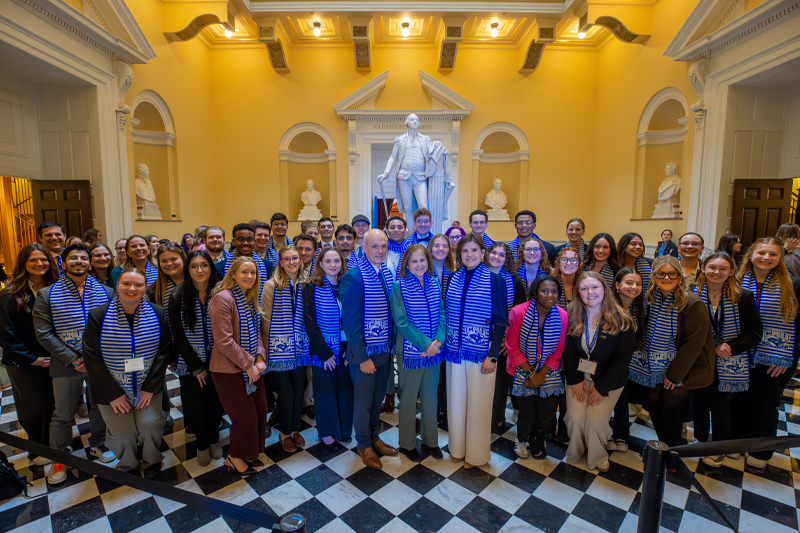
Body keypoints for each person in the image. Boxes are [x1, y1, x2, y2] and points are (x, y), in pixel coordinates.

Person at [33, 243, 115, 484]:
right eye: (73, 258)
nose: (78, 261)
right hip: (65, 364)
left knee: (98, 406)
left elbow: (112, 327)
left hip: (99, 362)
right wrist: (74, 358)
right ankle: (59, 456)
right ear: (64, 263)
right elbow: (43, 333)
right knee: (63, 413)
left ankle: (98, 444)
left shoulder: (106, 291)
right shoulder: (46, 294)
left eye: (83, 258)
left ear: (89, 263)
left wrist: (93, 358)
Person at [82, 268, 172, 478]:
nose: (132, 289)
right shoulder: (98, 315)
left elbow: (164, 351)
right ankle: (128, 461)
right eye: (126, 284)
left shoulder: (158, 312)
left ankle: (151, 460)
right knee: (123, 432)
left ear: (145, 288)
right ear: (117, 285)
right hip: (111, 387)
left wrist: (150, 388)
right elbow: (91, 357)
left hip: (147, 384)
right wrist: (113, 393)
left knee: (149, 424)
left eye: (138, 285)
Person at [628, 255, 715, 446]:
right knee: (651, 402)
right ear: (653, 276)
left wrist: (674, 375)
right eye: (661, 273)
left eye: (671, 274)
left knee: (668, 407)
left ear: (679, 276)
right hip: (654, 366)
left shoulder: (692, 303)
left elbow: (694, 344)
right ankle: (667, 447)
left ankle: (674, 448)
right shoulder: (650, 299)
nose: (666, 278)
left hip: (686, 369)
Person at [444, 234, 509, 468]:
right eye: (464, 251)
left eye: (474, 250)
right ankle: (458, 448)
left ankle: (476, 455)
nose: (469, 255)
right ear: (459, 254)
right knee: (456, 403)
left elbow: (501, 321)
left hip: (481, 354)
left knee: (478, 405)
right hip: (454, 353)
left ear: (483, 253)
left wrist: (492, 356)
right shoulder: (453, 278)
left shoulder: (494, 280)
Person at [691, 253, 762, 468]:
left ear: (731, 271)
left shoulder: (743, 296)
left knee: (722, 406)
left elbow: (755, 332)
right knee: (700, 402)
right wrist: (714, 343)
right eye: (712, 267)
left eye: (723, 268)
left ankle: (719, 448)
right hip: (701, 357)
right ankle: (701, 440)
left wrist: (730, 347)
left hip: (730, 360)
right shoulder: (691, 293)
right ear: (703, 268)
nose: (716, 272)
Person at [736, 237, 800, 472]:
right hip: (740, 353)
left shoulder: (793, 284)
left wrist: (787, 355)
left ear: (780, 257)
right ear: (751, 255)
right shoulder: (735, 281)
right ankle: (738, 441)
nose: (766, 258)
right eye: (761, 252)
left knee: (764, 402)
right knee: (740, 399)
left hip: (778, 357)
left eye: (773, 254)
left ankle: (759, 450)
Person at [562, 272, 636, 472]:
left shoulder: (623, 320)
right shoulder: (571, 315)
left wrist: (602, 388)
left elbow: (622, 362)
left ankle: (597, 455)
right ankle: (575, 451)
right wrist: (574, 380)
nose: (590, 292)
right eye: (584, 288)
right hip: (579, 377)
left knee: (595, 421)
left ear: (605, 289)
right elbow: (567, 352)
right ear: (578, 292)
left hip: (608, 381)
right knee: (576, 419)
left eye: (595, 287)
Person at [341, 229, 399, 469]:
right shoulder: (354, 277)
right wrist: (362, 357)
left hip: (383, 350)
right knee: (363, 401)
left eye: (384, 246)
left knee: (376, 400)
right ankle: (363, 443)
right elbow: (351, 323)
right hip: (364, 353)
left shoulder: (386, 273)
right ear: (363, 248)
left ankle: (374, 437)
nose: (380, 251)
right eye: (375, 246)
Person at [0, 244, 59, 466]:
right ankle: (38, 448)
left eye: (43, 259)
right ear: (23, 263)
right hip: (25, 362)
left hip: (55, 358)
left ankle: (56, 444)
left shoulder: (58, 289)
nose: (39, 264)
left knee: (55, 403)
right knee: (34, 407)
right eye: (33, 260)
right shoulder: (10, 295)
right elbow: (5, 335)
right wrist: (31, 359)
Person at [210, 256, 268, 475]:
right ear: (232, 274)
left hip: (251, 366)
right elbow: (224, 340)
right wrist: (248, 365)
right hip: (229, 370)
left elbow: (256, 333)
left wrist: (260, 358)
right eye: (244, 272)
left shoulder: (249, 297)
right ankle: (233, 457)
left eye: (253, 272)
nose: (249, 276)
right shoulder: (222, 298)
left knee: (260, 410)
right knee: (244, 418)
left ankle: (247, 453)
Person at [168, 250, 225, 466]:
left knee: (215, 404)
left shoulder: (222, 292)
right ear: (187, 269)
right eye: (193, 266)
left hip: (219, 360)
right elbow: (178, 336)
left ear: (211, 268)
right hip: (190, 363)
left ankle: (213, 440)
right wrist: (196, 367)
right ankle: (202, 444)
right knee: (196, 406)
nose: (199, 270)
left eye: (204, 265)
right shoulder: (178, 296)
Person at [391, 244, 447, 461]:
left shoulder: (434, 283)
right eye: (414, 261)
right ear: (406, 263)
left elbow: (442, 315)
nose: (419, 265)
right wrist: (426, 345)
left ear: (428, 262)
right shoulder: (399, 286)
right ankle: (406, 443)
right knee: (408, 398)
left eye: (422, 260)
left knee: (430, 398)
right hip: (412, 353)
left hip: (434, 353)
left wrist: (439, 341)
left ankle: (430, 440)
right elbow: (402, 322)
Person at [506, 275, 566, 460]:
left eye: (554, 291)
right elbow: (511, 346)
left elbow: (558, 349)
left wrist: (541, 375)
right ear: (535, 292)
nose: (550, 295)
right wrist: (532, 373)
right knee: (527, 413)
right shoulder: (518, 312)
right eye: (544, 291)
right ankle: (521, 439)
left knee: (546, 413)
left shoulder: (562, 315)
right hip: (520, 370)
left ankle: (537, 440)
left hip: (549, 371)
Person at [303, 247, 354, 451]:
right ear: (321, 264)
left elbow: (354, 318)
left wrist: (351, 348)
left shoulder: (348, 285)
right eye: (328, 261)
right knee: (325, 391)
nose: (333, 265)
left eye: (337, 261)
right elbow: (309, 322)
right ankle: (325, 432)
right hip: (323, 349)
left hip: (345, 347)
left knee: (345, 389)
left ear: (342, 263)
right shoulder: (311, 288)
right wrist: (324, 353)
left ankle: (342, 429)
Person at [262, 245, 310, 453]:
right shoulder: (271, 285)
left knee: (300, 387)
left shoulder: (306, 283)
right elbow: (265, 319)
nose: (291, 262)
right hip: (277, 349)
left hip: (300, 346)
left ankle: (295, 429)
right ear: (280, 262)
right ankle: (284, 432)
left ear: (300, 260)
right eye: (286, 259)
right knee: (286, 392)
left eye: (295, 258)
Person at [485, 242, 526, 434]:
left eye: (502, 255)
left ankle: (496, 420)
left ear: (507, 259)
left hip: (503, 337)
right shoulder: (478, 274)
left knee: (499, 383)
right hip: (480, 335)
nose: (497, 257)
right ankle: (480, 418)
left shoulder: (515, 281)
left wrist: (505, 338)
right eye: (494, 252)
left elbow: (519, 314)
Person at [611, 268, 645, 447]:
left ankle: (621, 433)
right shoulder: (606, 307)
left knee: (623, 398)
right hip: (609, 362)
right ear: (617, 285)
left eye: (638, 284)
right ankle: (608, 433)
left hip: (630, 362)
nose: (634, 287)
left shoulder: (640, 307)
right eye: (629, 283)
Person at [428, 234, 456, 425]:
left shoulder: (456, 273)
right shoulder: (422, 271)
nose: (440, 249)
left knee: (447, 373)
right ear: (430, 249)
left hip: (451, 329)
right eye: (436, 245)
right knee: (432, 373)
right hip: (429, 330)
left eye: (443, 246)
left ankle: (445, 411)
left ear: (449, 249)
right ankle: (432, 409)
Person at [216, 223, 274, 302]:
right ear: (233, 242)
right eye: (240, 239)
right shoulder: (220, 267)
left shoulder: (267, 265)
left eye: (250, 239)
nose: (245, 243)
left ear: (254, 241)